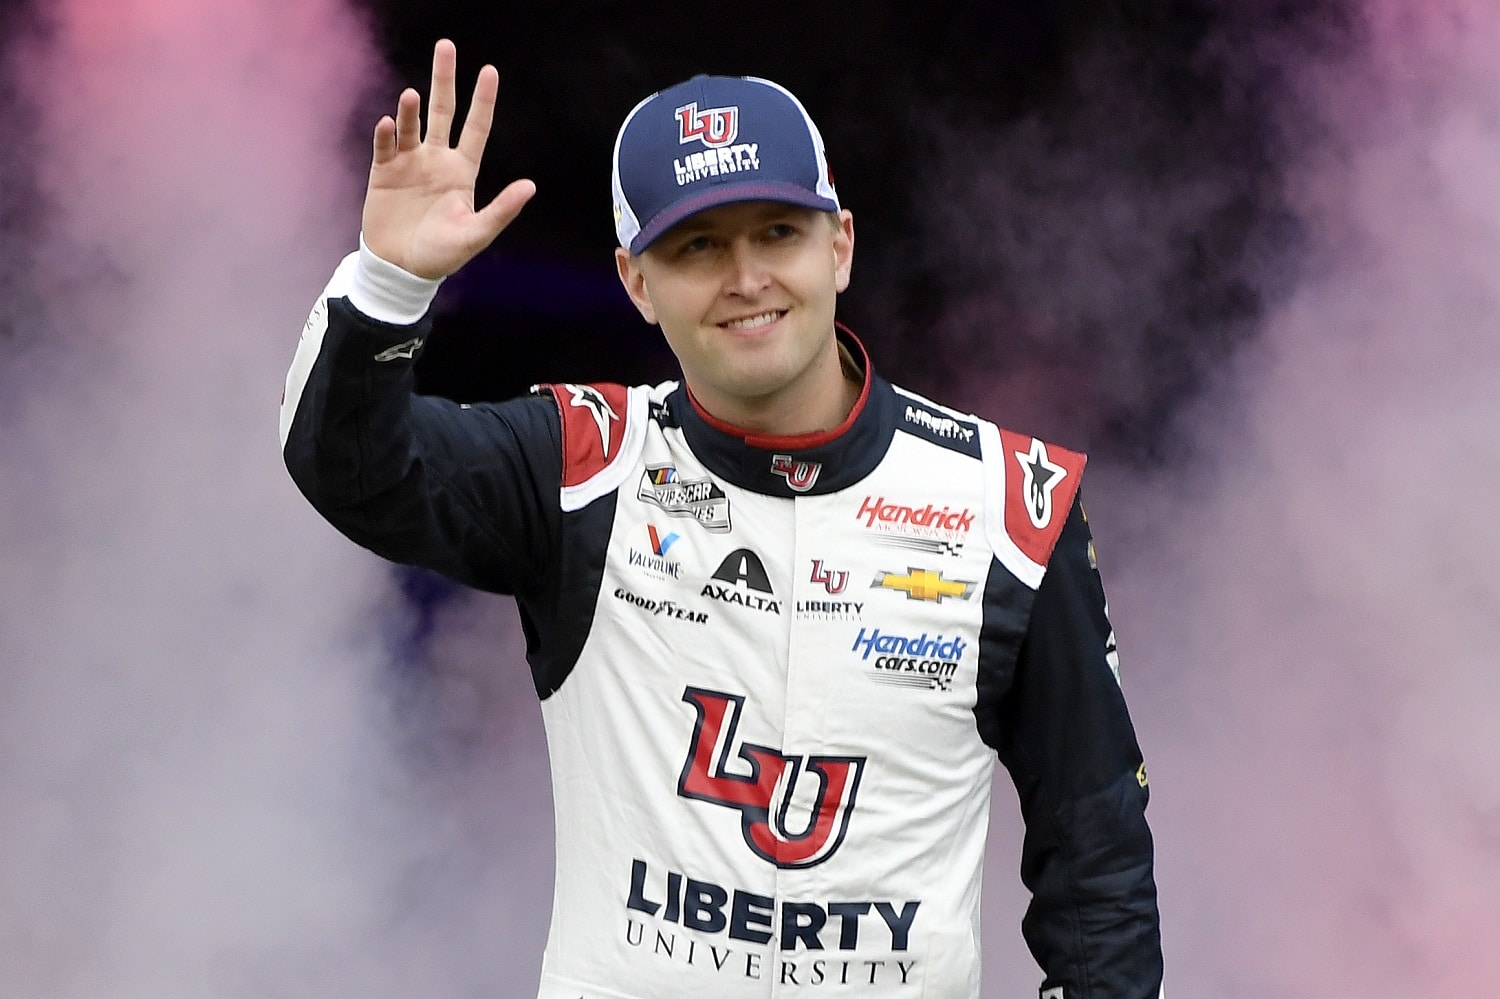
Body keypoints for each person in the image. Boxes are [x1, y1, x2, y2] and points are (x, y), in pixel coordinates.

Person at [281, 39, 1162, 999]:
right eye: (697, 245)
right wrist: (387, 285)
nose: (745, 278)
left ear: (841, 244)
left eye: (777, 232)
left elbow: (1098, 865)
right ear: (636, 282)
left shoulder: (1010, 506)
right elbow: (351, 467)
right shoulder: (585, 463)